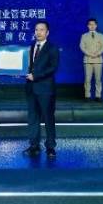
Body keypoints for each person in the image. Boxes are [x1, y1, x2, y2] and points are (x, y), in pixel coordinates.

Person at [24, 20, 60, 158]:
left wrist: (36, 76)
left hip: (46, 89)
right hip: (31, 88)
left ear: (47, 32)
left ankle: (50, 147)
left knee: (48, 118)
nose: (38, 32)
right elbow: (28, 66)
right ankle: (34, 146)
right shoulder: (32, 46)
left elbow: (53, 68)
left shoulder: (52, 48)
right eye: (36, 30)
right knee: (33, 118)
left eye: (41, 30)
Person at [79, 18, 103, 102]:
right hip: (88, 59)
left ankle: (98, 96)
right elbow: (82, 46)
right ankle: (87, 96)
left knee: (98, 79)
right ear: (88, 26)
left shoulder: (101, 35)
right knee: (87, 79)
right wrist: (89, 54)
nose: (92, 26)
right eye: (90, 24)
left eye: (93, 24)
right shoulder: (84, 36)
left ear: (96, 25)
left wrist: (97, 53)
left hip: (98, 59)